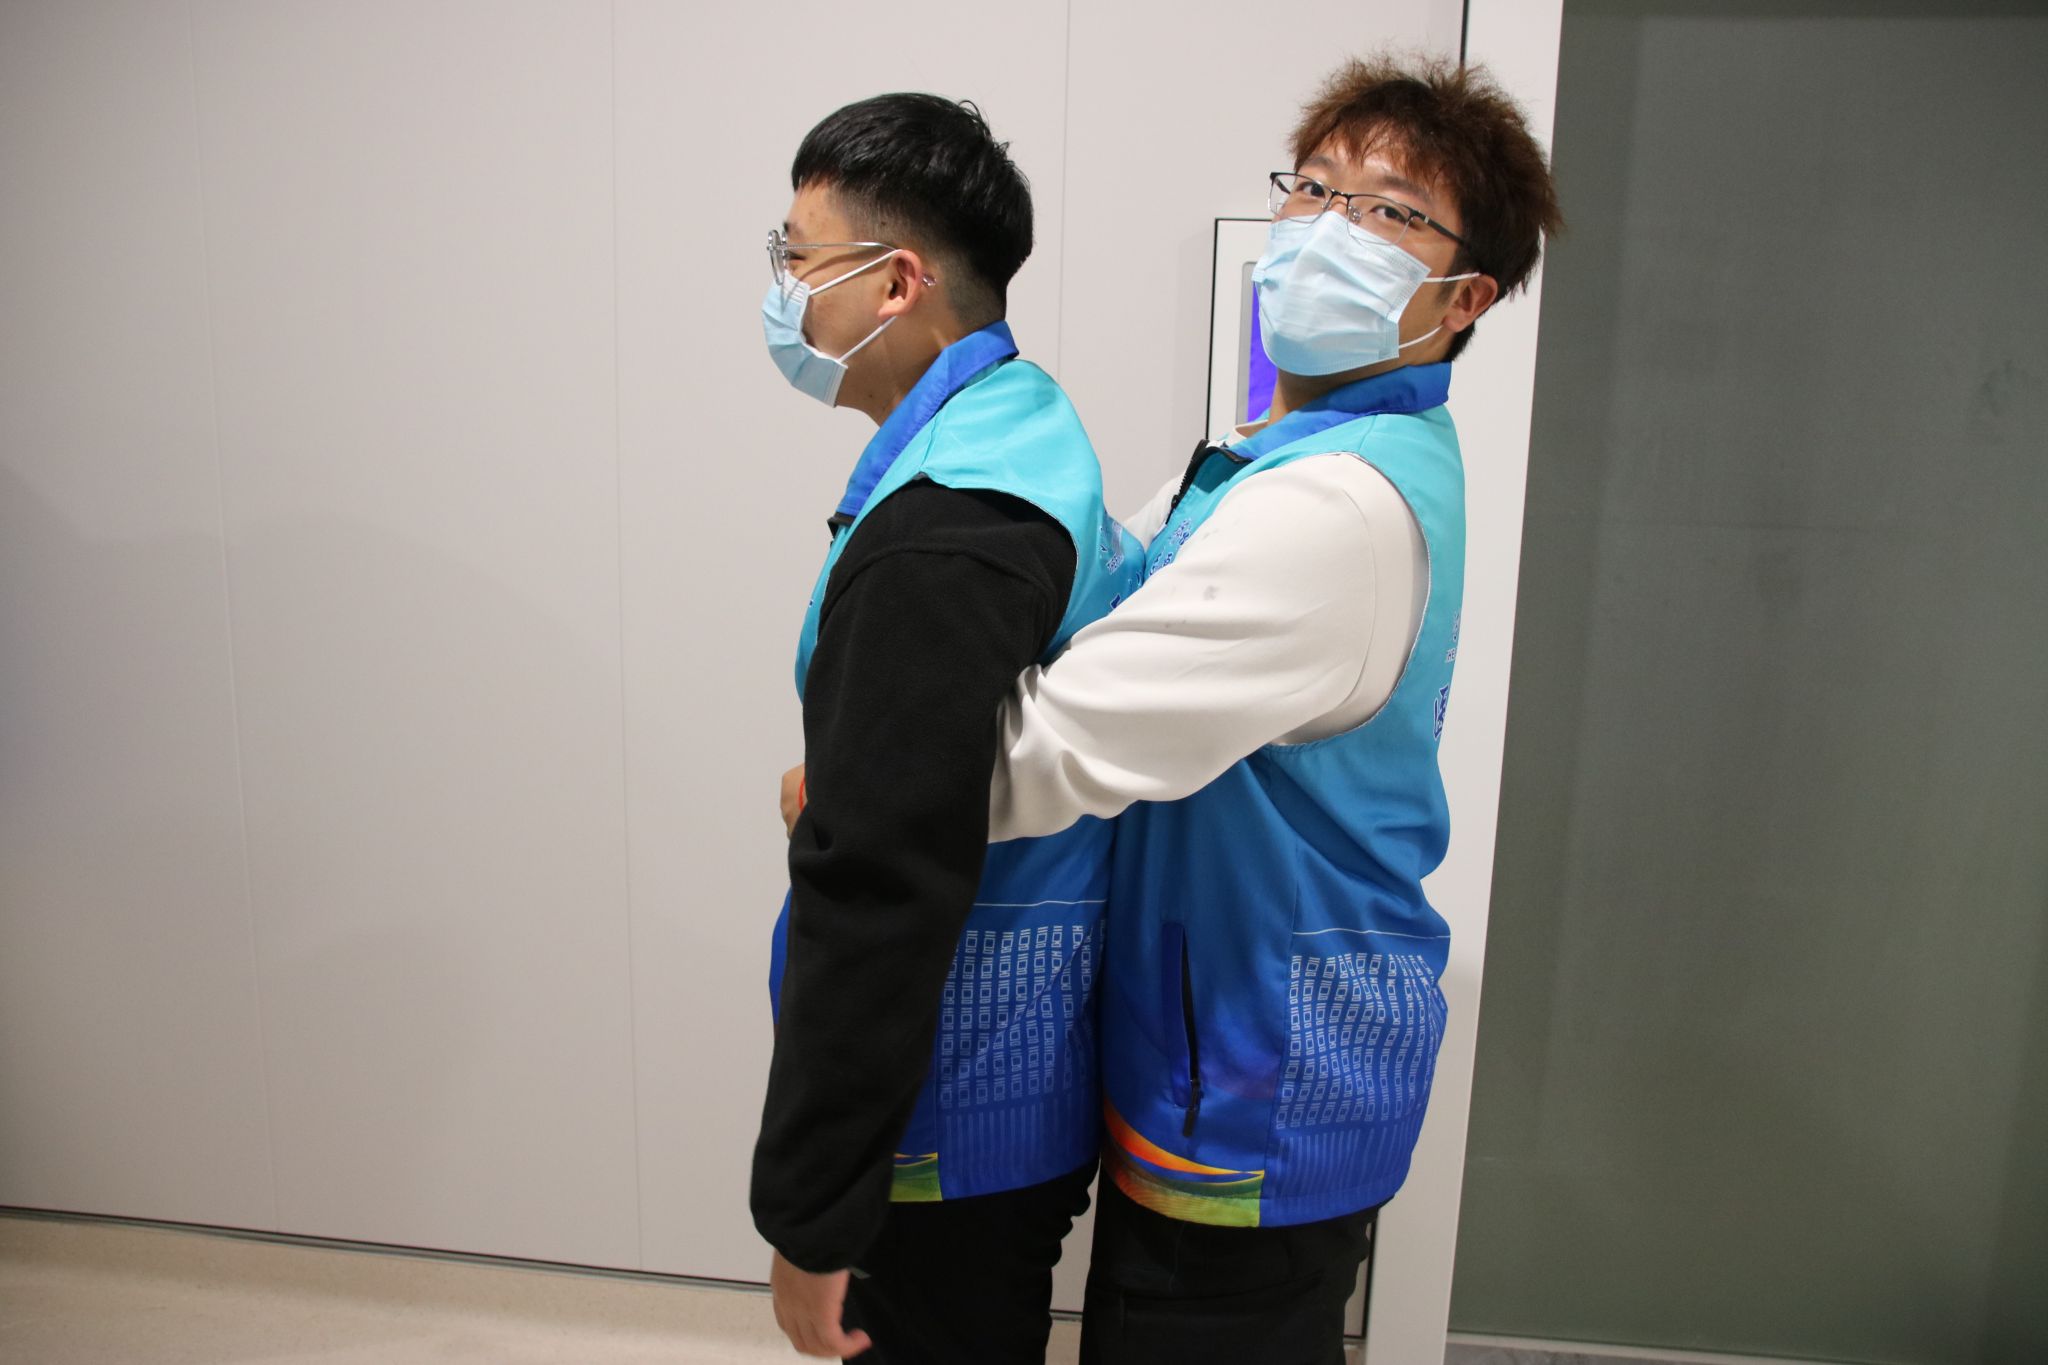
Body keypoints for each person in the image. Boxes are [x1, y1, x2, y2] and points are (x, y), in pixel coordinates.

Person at [978, 55, 1563, 1364]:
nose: (1328, 227)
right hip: (1225, 1037)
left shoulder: (1332, 507)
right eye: (1313, 188)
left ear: (1463, 298)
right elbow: (1112, 601)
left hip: (1259, 1078)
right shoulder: (1276, 454)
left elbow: (1068, 740)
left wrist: (863, 785)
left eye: (1390, 211)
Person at [749, 94, 1143, 1363]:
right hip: (1015, 1071)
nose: (782, 290)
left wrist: (814, 1210)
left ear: (894, 282)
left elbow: (879, 882)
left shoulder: (947, 527)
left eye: (798, 258)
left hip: (946, 1114)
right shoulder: (1020, 428)